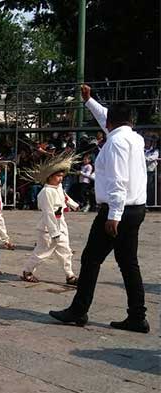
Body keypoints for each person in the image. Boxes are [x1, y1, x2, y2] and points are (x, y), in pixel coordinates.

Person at [50, 85, 149, 333]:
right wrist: (89, 101)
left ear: (112, 123)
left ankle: (79, 310)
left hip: (118, 210)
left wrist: (114, 214)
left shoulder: (115, 143)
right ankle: (137, 316)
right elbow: (108, 118)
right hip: (136, 209)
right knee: (128, 263)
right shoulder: (135, 138)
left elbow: (118, 181)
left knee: (91, 258)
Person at [21, 154, 79, 285]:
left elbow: (65, 197)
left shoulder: (58, 188)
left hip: (61, 224)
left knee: (65, 251)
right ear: (50, 177)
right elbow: (48, 214)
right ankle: (27, 271)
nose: (60, 179)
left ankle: (70, 275)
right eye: (58, 176)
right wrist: (54, 233)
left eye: (62, 176)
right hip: (48, 228)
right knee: (43, 252)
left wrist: (74, 204)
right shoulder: (46, 192)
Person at [144, 135, 159, 206]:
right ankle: (144, 204)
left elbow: (152, 158)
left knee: (150, 188)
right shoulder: (141, 149)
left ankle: (150, 204)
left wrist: (144, 158)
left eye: (148, 141)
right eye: (146, 141)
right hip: (142, 172)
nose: (147, 143)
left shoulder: (155, 151)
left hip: (151, 171)